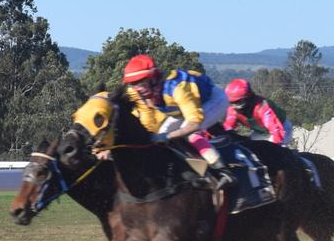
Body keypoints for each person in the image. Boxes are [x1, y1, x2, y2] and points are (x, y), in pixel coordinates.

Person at [122, 54, 232, 188]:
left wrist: (168, 136)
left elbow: (194, 124)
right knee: (160, 136)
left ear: (152, 78)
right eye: (132, 84)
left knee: (191, 134)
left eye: (139, 82)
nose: (136, 88)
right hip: (181, 108)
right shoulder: (137, 91)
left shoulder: (177, 88)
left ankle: (223, 172)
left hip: (212, 100)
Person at [224, 78, 292, 145]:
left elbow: (276, 131)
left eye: (239, 102)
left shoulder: (262, 107)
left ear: (248, 97)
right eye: (231, 102)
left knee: (270, 152)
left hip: (282, 128)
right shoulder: (233, 110)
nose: (235, 106)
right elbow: (227, 128)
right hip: (261, 131)